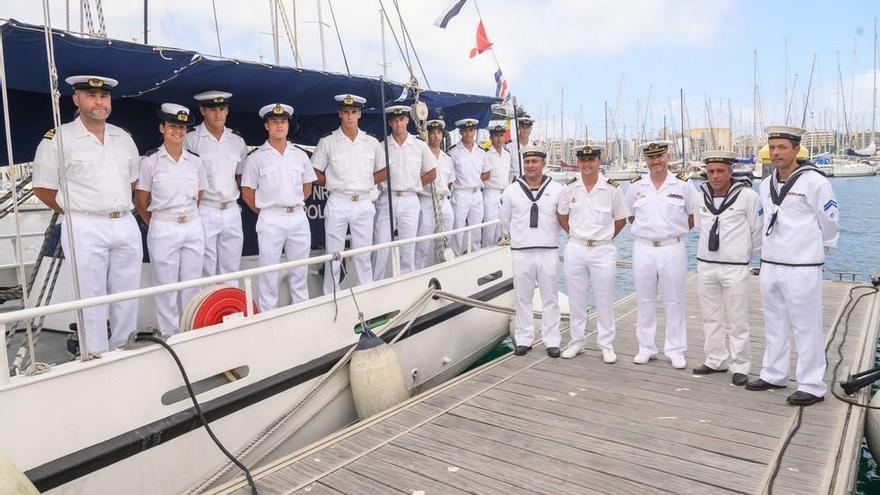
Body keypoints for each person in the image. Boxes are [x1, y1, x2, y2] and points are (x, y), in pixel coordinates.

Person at [31, 75, 142, 353]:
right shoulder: (58, 138)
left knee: (127, 295)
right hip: (83, 224)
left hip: (124, 222)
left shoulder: (123, 138)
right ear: (76, 100)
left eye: (103, 97)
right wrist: (75, 210)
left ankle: (123, 349)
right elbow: (44, 188)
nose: (99, 102)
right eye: (91, 96)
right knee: (90, 298)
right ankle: (95, 354)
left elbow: (131, 182)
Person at [746, 125, 839, 406]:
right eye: (772, 147)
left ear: (796, 150)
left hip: (802, 265)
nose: (776, 153)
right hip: (771, 262)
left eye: (782, 147)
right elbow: (764, 221)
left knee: (806, 324)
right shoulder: (765, 183)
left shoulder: (815, 182)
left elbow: (830, 223)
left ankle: (812, 384)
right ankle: (774, 373)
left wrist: (814, 250)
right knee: (774, 320)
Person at [135, 103, 207, 337]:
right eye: (173, 126)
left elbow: (199, 194)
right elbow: (141, 200)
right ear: (162, 128)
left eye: (183, 127)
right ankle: (170, 333)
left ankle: (189, 329)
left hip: (192, 224)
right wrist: (156, 222)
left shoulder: (195, 162)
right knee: (165, 286)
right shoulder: (150, 161)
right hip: (163, 225)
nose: (178, 131)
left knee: (192, 284)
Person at [624, 140, 697, 369]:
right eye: (651, 157)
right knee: (644, 300)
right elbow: (630, 215)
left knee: (674, 300)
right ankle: (646, 348)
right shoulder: (636, 186)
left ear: (668, 156)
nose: (656, 161)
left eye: (660, 156)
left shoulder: (683, 185)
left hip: (672, 247)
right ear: (646, 160)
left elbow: (693, 217)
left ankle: (675, 350)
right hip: (644, 247)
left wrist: (670, 231)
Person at [693, 150, 762, 386]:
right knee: (710, 317)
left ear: (730, 171)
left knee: (737, 319)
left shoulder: (747, 196)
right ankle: (715, 359)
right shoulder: (700, 196)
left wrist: (742, 255)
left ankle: (740, 365)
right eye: (711, 171)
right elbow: (698, 227)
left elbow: (757, 231)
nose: (715, 176)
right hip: (706, 265)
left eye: (720, 171)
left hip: (735, 267)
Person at [240, 103, 316, 310]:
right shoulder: (256, 158)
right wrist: (267, 210)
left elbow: (307, 188)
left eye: (283, 122)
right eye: (274, 122)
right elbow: (247, 193)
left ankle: (302, 311)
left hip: (297, 216)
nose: (279, 126)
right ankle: (268, 316)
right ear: (266, 126)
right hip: (270, 218)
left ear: (288, 125)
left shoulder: (299, 155)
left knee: (299, 270)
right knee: (268, 272)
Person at [557, 144, 629, 363]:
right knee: (576, 298)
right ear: (578, 163)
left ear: (599, 161)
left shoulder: (612, 189)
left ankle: (606, 344)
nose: (586, 164)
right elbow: (561, 216)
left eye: (591, 160)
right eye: (583, 161)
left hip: (602, 249)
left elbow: (621, 219)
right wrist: (575, 235)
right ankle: (577, 341)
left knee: (604, 298)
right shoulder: (568, 188)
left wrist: (605, 238)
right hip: (576, 247)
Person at [311, 94, 386, 294]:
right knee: (334, 254)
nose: (350, 117)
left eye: (354, 112)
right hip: (338, 201)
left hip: (362, 201)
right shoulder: (328, 141)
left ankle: (367, 295)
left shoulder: (371, 142)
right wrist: (332, 182)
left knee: (363, 254)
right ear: (340, 114)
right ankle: (331, 296)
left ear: (359, 114)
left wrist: (367, 182)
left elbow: (384, 170)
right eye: (346, 112)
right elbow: (314, 172)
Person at [500, 146, 562, 357]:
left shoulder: (558, 189)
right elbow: (505, 220)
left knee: (550, 298)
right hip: (521, 251)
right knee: (522, 297)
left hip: (547, 250)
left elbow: (562, 218)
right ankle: (524, 339)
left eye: (535, 161)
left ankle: (552, 340)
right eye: (527, 162)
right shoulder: (511, 191)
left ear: (543, 164)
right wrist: (519, 237)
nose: (530, 165)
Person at [186, 90, 247, 282]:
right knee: (205, 269)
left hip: (231, 209)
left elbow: (239, 176)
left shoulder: (237, 140)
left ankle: (230, 311)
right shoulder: (191, 138)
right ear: (202, 110)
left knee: (232, 269)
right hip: (205, 209)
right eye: (213, 109)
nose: (218, 114)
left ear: (227, 111)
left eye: (222, 109)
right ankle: (207, 311)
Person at [372, 105, 436, 280]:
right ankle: (374, 286)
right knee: (381, 246)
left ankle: (408, 283)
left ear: (407, 120)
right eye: (394, 120)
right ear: (390, 122)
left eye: (401, 119)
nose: (398, 123)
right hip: (387, 199)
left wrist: (416, 183)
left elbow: (432, 172)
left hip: (410, 199)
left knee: (408, 247)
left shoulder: (420, 146)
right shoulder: (381, 147)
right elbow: (373, 175)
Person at [415, 119, 456, 268]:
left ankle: (440, 270)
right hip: (427, 201)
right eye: (432, 133)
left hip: (444, 202)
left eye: (439, 133)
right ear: (427, 135)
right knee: (423, 245)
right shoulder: (421, 157)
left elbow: (450, 181)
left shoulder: (447, 158)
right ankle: (418, 272)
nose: (436, 136)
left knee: (444, 243)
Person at [449, 118, 490, 254]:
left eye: (471, 130)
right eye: (465, 131)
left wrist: (474, 180)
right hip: (460, 194)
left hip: (477, 194)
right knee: (458, 229)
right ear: (460, 132)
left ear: (475, 132)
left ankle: (475, 255)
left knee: (476, 230)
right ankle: (455, 257)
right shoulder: (453, 153)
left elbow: (487, 173)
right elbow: (450, 176)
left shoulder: (481, 152)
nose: (468, 134)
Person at [481, 122, 510, 247]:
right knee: (489, 229)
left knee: (502, 229)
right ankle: (486, 254)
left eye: (501, 135)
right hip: (490, 194)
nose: (499, 139)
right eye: (496, 136)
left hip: (504, 195)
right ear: (490, 138)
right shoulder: (486, 155)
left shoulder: (507, 154)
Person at [506, 114, 534, 183]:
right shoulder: (509, 146)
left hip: (529, 183)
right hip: (514, 183)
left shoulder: (534, 146)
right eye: (523, 127)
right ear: (518, 128)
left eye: (528, 128)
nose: (525, 130)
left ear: (531, 129)